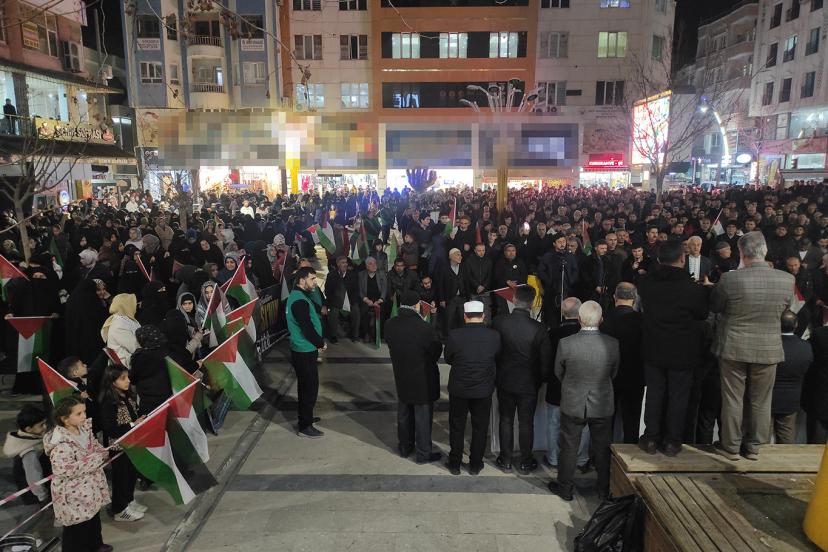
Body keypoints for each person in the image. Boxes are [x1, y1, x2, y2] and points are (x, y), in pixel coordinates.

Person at [711, 231, 794, 461]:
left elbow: (716, 307)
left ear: (741, 252)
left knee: (733, 399)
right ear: (765, 250)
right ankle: (755, 446)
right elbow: (787, 309)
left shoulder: (730, 279)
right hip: (768, 348)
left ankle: (731, 447)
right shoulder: (787, 280)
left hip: (733, 347)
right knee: (761, 400)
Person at [548, 301, 619, 502]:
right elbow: (613, 373)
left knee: (569, 447)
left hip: (573, 402)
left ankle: (565, 489)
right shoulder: (612, 344)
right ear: (601, 320)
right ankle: (603, 490)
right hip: (602, 403)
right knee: (602, 448)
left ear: (579, 319)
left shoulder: (566, 343)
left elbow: (558, 372)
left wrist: (572, 386)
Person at [492, 286, 551, 473]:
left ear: (514, 299)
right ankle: (526, 461)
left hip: (505, 379)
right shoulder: (539, 329)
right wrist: (541, 380)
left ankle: (506, 459)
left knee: (506, 420)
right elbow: (545, 361)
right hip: (529, 383)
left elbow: (494, 351)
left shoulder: (499, 322)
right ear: (532, 303)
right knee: (526, 423)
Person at [44, 396, 112, 552]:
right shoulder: (60, 444)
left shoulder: (83, 428)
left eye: (84, 412)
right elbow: (65, 470)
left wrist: (102, 451)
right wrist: (97, 458)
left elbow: (93, 444)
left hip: (90, 487)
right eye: (79, 414)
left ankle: (95, 545)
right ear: (65, 419)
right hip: (74, 494)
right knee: (77, 529)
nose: (84, 416)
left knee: (93, 520)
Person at [384, 290, 443, 464]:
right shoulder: (425, 328)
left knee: (404, 413)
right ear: (417, 305)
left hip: (401, 376)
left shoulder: (390, 324)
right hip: (422, 379)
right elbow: (435, 352)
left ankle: (405, 447)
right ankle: (423, 453)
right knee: (422, 418)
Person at [444, 300, 501, 475]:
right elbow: (497, 357)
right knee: (480, 427)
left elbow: (448, 358)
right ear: (483, 316)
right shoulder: (494, 336)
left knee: (457, 426)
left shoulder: (454, 335)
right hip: (483, 389)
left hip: (459, 388)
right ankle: (475, 464)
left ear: (465, 316)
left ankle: (455, 464)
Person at [544, 297, 590, 470]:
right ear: (580, 314)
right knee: (583, 426)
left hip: (556, 387)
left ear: (563, 313)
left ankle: (553, 459)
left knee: (554, 424)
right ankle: (581, 459)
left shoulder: (552, 334)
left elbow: (547, 362)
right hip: (582, 389)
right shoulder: (588, 335)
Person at [99, 364, 146, 522]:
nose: (128, 381)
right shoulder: (109, 402)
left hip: (132, 444)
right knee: (121, 478)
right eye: (123, 378)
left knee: (131, 475)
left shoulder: (127, 396)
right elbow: (110, 428)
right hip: (119, 447)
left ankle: (129, 501)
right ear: (112, 381)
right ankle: (119, 509)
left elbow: (135, 414)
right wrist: (133, 424)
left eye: (127, 377)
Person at [599, 282, 644, 444]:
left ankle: (603, 455)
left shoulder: (603, 319)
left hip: (608, 376)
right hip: (635, 376)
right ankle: (629, 455)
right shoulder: (642, 321)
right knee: (632, 421)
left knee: (605, 421)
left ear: (614, 297)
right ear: (635, 299)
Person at [286, 267, 327, 438]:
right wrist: (320, 343)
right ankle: (305, 426)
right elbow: (306, 327)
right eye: (312, 279)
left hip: (305, 348)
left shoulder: (300, 296)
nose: (315, 282)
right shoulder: (299, 301)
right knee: (309, 387)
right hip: (304, 349)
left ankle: (307, 417)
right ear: (301, 280)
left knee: (308, 385)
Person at [771, 310, 812, 444]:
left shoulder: (769, 345)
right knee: (787, 439)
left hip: (767, 398)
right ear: (796, 325)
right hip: (791, 400)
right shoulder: (805, 347)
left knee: (762, 441)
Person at [2, 405, 49, 505]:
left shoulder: (22, 437)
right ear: (28, 429)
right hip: (35, 491)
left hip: (28, 483)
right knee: (42, 509)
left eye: (45, 423)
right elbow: (34, 476)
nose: (45, 427)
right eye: (41, 425)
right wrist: (42, 496)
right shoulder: (29, 452)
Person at [130, 325, 174, 415]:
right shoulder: (167, 353)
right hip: (168, 402)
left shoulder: (138, 358)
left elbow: (132, 378)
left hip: (148, 407)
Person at [101, 293, 141, 368]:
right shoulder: (118, 325)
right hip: (127, 364)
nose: (136, 306)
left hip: (135, 358)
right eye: (132, 304)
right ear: (125, 306)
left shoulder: (126, 319)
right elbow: (134, 347)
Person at [805, 322, 828, 444]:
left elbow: (810, 361)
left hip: (821, 397)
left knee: (816, 445)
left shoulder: (820, 334)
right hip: (820, 397)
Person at [437, 248, 467, 336]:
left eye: (460, 255)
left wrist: (468, 297)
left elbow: (466, 282)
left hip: (462, 298)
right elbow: (440, 285)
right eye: (458, 254)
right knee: (448, 320)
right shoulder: (443, 268)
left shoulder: (463, 267)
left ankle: (461, 337)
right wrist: (442, 299)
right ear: (451, 256)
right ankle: (447, 338)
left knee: (462, 319)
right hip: (449, 299)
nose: (460, 257)